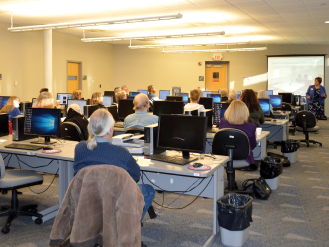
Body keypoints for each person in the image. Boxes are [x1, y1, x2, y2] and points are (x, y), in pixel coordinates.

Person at [74, 108, 155, 219]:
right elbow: (136, 176)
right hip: (112, 198)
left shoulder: (80, 148)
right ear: (111, 130)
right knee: (149, 190)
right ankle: (128, 225)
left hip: (87, 196)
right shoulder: (121, 153)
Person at [219, 100, 258, 171]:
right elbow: (253, 145)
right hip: (243, 157)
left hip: (225, 157)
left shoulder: (222, 122)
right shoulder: (251, 127)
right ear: (245, 112)